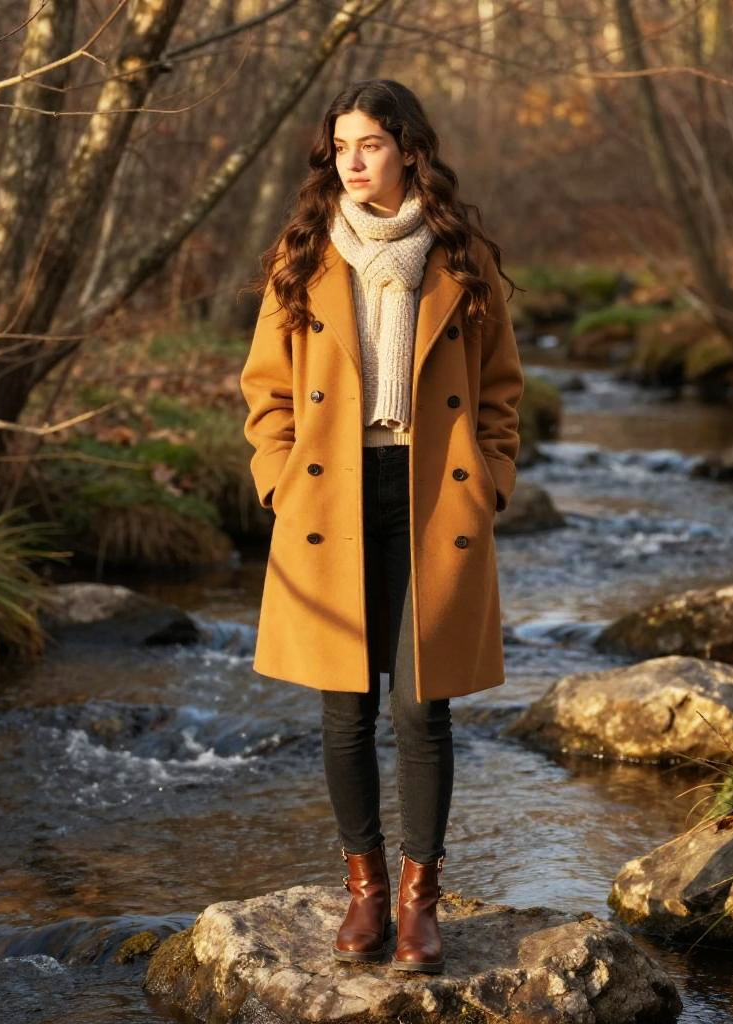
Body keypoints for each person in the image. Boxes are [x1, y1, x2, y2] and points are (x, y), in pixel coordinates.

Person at [239, 79, 523, 974]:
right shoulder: (306, 253)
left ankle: (419, 904)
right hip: (329, 499)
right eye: (341, 148)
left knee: (421, 705)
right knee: (344, 708)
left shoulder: (461, 254)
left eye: (368, 144)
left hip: (433, 494)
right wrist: (279, 481)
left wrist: (492, 482)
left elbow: (503, 391)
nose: (351, 163)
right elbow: (265, 391)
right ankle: (363, 892)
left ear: (408, 147)